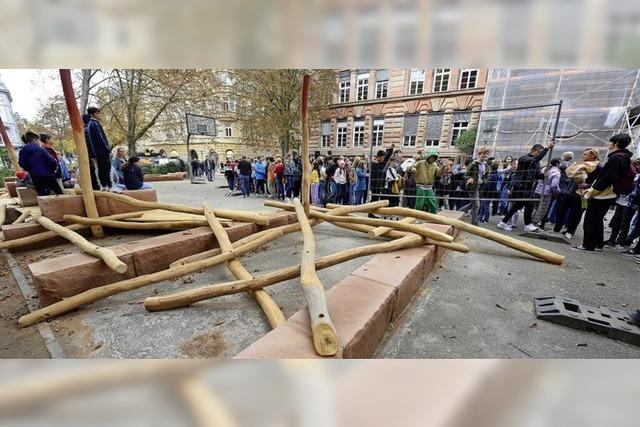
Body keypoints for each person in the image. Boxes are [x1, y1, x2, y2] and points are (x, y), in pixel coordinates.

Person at [574, 133, 634, 252]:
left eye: (610, 142)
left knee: (591, 219)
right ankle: (597, 244)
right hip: (610, 193)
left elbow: (606, 178)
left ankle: (588, 245)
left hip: (603, 194)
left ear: (616, 143)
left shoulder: (615, 158)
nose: (608, 143)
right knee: (598, 219)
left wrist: (591, 191)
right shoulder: (624, 157)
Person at [497, 140, 555, 232]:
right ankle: (527, 224)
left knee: (517, 206)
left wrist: (543, 175)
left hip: (527, 186)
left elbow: (536, 175)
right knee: (529, 204)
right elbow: (534, 160)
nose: (539, 155)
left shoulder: (536, 163)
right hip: (520, 185)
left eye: (540, 153)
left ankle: (503, 222)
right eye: (538, 152)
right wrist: (547, 148)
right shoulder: (524, 158)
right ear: (532, 150)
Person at [553, 148, 600, 239]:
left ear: (593, 155)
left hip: (584, 195)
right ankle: (557, 228)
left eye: (586, 154)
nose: (583, 156)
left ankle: (570, 231)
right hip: (571, 191)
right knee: (562, 210)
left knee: (577, 213)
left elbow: (599, 181)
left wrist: (587, 185)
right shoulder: (580, 164)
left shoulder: (598, 167)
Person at [18, 132, 63, 196]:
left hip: (35, 176)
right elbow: (51, 161)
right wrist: (53, 169)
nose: (39, 142)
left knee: (43, 195)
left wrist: (30, 169)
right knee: (58, 192)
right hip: (48, 175)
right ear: (34, 140)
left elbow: (21, 163)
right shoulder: (41, 149)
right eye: (38, 140)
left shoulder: (22, 152)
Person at [86, 107, 113, 190]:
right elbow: (101, 138)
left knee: (102, 168)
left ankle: (104, 186)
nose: (100, 115)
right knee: (106, 168)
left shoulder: (90, 124)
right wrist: (108, 150)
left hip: (98, 151)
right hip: (102, 151)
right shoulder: (94, 124)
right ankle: (109, 186)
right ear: (92, 114)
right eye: (97, 113)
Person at [463, 147, 490, 225]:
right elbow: (465, 175)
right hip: (472, 187)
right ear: (479, 154)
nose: (485, 155)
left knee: (472, 204)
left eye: (486, 154)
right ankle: (474, 223)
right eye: (483, 154)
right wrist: (470, 178)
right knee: (476, 205)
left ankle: (458, 212)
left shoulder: (487, 166)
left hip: (480, 187)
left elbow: (487, 177)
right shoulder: (473, 164)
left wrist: (483, 181)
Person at [532, 158, 561, 229]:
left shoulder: (544, 169)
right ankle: (534, 223)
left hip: (538, 190)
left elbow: (539, 179)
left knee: (535, 207)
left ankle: (530, 221)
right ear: (557, 164)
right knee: (542, 209)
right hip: (546, 192)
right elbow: (554, 185)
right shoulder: (556, 172)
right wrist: (557, 191)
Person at [369, 145, 395, 212]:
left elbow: (387, 157)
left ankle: (372, 212)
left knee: (376, 199)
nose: (384, 159)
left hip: (379, 185)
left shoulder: (382, 163)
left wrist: (391, 149)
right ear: (379, 157)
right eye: (382, 157)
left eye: (384, 158)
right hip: (374, 185)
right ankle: (370, 212)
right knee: (374, 199)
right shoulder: (373, 164)